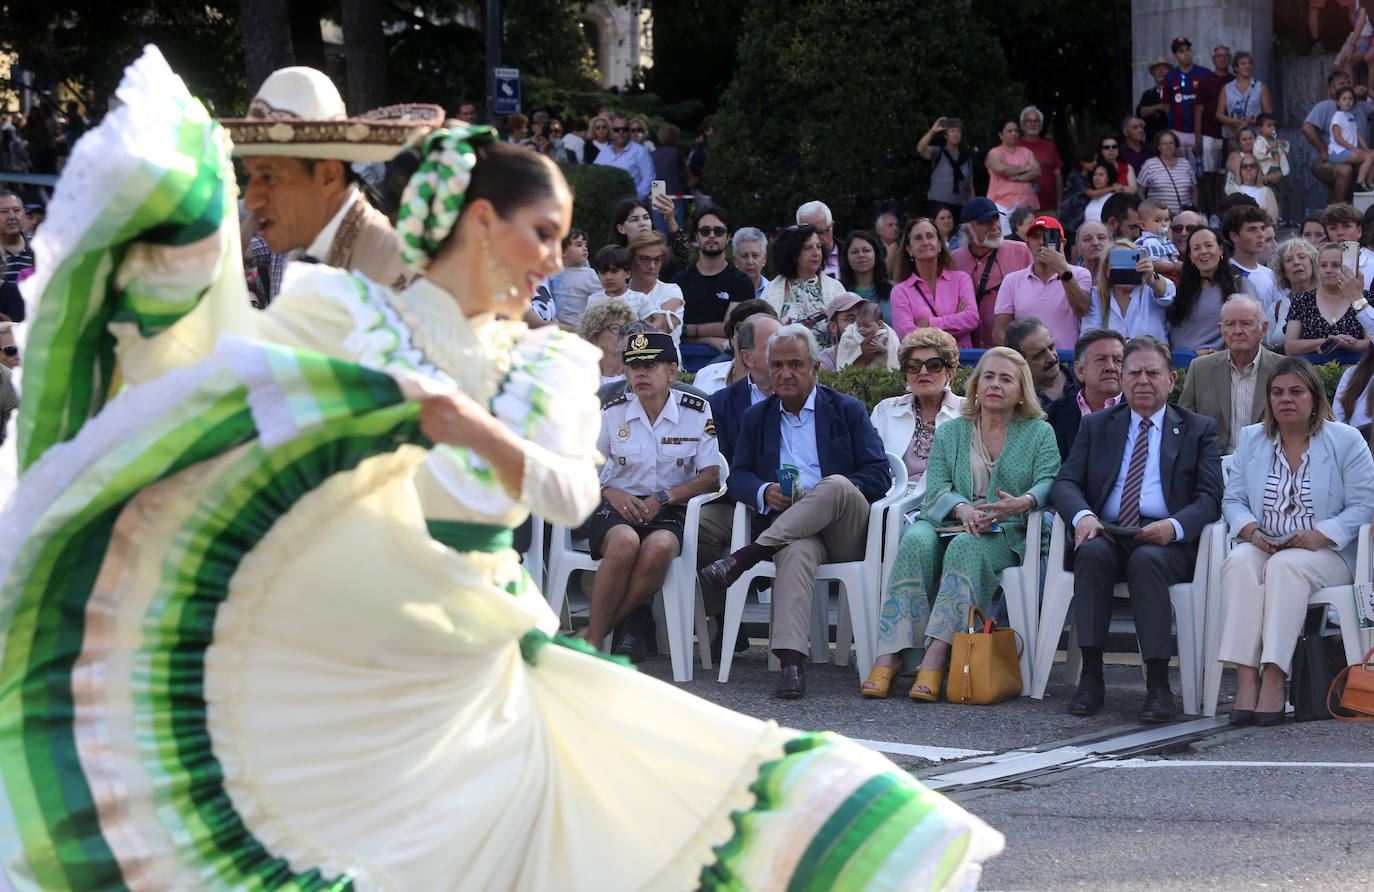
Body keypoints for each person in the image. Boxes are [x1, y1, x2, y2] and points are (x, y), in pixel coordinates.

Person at [4, 49, 1006, 888]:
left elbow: (566, 488)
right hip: (376, 621)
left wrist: (459, 425)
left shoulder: (543, 358)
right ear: (480, 225)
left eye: (564, 241)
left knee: (617, 809)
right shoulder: (360, 315)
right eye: (542, 237)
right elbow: (257, 387)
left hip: (471, 635)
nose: (554, 262)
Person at [700, 325, 892, 699]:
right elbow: (738, 476)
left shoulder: (846, 410)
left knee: (835, 484)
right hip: (792, 531)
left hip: (845, 529)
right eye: (778, 365)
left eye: (795, 365)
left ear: (816, 369)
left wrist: (826, 494)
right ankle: (790, 664)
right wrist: (763, 491)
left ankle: (747, 556)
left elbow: (878, 475)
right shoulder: (758, 417)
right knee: (795, 550)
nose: (785, 374)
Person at [863, 347, 1059, 700]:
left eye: (1005, 379)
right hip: (948, 519)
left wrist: (1022, 503)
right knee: (914, 541)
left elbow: (1049, 482)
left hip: (1006, 529)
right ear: (975, 386)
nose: (995, 384)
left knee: (967, 547)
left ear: (1021, 391)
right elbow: (936, 487)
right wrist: (963, 509)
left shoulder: (1039, 433)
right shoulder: (953, 431)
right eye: (988, 376)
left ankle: (937, 658)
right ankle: (888, 654)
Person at [1050, 336, 1223, 723]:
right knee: (1091, 553)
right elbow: (1065, 484)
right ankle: (1092, 677)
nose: (1143, 381)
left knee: (1147, 561)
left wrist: (1174, 526)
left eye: (1152, 373)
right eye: (1134, 373)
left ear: (1171, 379)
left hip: (1165, 540)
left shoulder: (1197, 429)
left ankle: (1159, 686)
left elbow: (1211, 497)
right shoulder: (1097, 425)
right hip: (1108, 531)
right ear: (1124, 380)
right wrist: (1084, 518)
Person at [1218, 357, 1374, 725]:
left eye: (1295, 391)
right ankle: (1245, 678)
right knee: (1239, 563)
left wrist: (1321, 534)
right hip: (1265, 544)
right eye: (1277, 392)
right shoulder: (1253, 439)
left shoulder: (1346, 441)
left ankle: (1274, 675)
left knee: (1286, 567)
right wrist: (1251, 531)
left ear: (1315, 397)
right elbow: (1232, 499)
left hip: (1326, 553)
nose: (1285, 399)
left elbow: (1365, 503)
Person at [221, 66, 442, 292]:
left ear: (328, 177)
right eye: (252, 176)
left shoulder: (395, 274)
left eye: (269, 177)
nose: (250, 201)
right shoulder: (307, 254)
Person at [585, 332, 721, 660]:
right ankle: (594, 642)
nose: (640, 374)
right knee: (625, 544)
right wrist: (609, 492)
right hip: (616, 509)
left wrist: (663, 497)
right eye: (633, 366)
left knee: (659, 547)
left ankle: (592, 634)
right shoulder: (611, 410)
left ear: (672, 371)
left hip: (668, 510)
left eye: (650, 365)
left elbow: (711, 477)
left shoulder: (696, 409)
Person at [868, 328, 965, 501]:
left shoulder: (967, 412)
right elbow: (870, 466)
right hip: (891, 502)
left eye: (934, 365)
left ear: (950, 372)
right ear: (906, 374)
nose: (923, 372)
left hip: (948, 503)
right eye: (914, 366)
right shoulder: (885, 411)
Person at [1178, 295, 1283, 454]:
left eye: (1246, 323)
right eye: (1230, 324)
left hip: (1271, 465)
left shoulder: (1283, 369)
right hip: (1213, 467)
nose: (1237, 331)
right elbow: (1183, 424)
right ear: (1221, 330)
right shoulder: (1200, 369)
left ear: (1264, 329)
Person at [992, 216, 1091, 351]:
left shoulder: (1080, 274)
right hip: (1027, 364)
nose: (1042, 242)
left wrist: (1063, 271)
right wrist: (1023, 358)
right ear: (1028, 244)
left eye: (1049, 236)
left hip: (1068, 362)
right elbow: (999, 333)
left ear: (1063, 243)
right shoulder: (1011, 280)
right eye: (1035, 237)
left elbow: (1082, 309)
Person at [951, 198, 1034, 348]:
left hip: (1012, 353)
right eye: (985, 222)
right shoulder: (953, 260)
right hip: (968, 355)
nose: (995, 226)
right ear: (967, 231)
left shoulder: (1022, 252)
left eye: (996, 219)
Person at [890, 217, 979, 345]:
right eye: (918, 238)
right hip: (924, 364)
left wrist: (929, 324)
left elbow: (971, 319)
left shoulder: (961, 279)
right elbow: (907, 336)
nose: (925, 242)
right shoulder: (900, 291)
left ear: (939, 245)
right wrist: (956, 322)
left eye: (930, 236)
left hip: (962, 361)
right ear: (909, 249)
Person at [707, 309, 783, 459]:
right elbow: (723, 467)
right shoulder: (719, 405)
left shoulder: (814, 397)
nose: (782, 353)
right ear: (747, 358)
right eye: (771, 347)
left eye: (784, 344)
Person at [677, 207, 754, 354]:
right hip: (682, 358)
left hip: (726, 360)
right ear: (697, 236)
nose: (711, 235)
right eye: (705, 231)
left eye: (718, 231)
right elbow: (673, 330)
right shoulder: (679, 281)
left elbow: (729, 327)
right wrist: (708, 340)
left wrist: (688, 329)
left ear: (728, 237)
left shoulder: (741, 281)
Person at [1168, 226, 1257, 352]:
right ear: (1190, 256)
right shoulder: (1182, 290)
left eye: (1209, 245)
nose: (1203, 251)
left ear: (1220, 249)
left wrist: (1221, 355)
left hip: (1218, 364)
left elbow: (1252, 329)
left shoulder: (1239, 285)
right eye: (1196, 248)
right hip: (1180, 365)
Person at [1045, 330, 1125, 460]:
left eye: (1118, 360)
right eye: (1101, 359)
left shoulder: (1140, 413)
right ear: (1080, 370)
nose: (1111, 367)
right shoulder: (1053, 416)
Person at [759, 223, 846, 343]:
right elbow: (763, 332)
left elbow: (849, 328)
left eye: (818, 246)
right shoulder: (773, 289)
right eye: (808, 248)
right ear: (793, 255)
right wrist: (785, 331)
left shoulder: (835, 286)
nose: (816, 253)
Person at [1285, 241, 1371, 356]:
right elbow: (1290, 347)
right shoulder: (1302, 299)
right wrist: (1327, 342)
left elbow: (1371, 343)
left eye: (1336, 265)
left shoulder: (1365, 298)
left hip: (1356, 370)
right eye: (1323, 265)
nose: (1328, 270)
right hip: (1311, 371)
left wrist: (1345, 344)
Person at [1081, 239, 1175, 341]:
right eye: (1118, 261)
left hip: (1152, 355)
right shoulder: (1097, 295)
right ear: (1106, 269)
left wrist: (1151, 278)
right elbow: (1088, 336)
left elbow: (1168, 291)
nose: (1124, 267)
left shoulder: (1150, 290)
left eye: (1130, 260)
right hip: (1113, 355)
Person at [1302, 71, 1371, 203]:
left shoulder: (1360, 106)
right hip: (1328, 159)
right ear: (1333, 91)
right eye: (1341, 83)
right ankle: (1339, 210)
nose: (1347, 85)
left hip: (1355, 159)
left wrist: (1367, 91)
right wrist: (1323, 150)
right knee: (1345, 170)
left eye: (1348, 82)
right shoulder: (1326, 106)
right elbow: (1307, 127)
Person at [692, 299, 778, 395]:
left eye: (761, 334)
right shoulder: (706, 374)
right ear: (732, 337)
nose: (749, 339)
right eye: (743, 331)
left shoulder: (780, 384)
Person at [1197, 45, 1236, 218]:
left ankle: (1223, 213)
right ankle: (1211, 213)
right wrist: (1198, 138)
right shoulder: (1206, 81)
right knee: (1209, 176)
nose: (1222, 59)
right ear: (1213, 59)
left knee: (1225, 176)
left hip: (1230, 134)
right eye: (1219, 56)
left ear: (1229, 59)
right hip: (1209, 133)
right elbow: (1198, 110)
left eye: (1225, 56)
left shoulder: (1234, 81)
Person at [607, 197, 691, 279]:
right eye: (634, 219)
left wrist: (671, 221)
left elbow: (684, 260)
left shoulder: (663, 257)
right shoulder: (614, 261)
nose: (643, 223)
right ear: (621, 228)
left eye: (646, 218)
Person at [625, 230, 685, 341]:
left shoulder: (671, 291)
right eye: (644, 259)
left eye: (657, 259)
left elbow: (654, 333)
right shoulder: (618, 292)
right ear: (631, 259)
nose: (652, 266)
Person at [1005, 316, 1072, 405]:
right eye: (1040, 354)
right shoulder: (1015, 404)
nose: (1052, 358)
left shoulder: (1084, 383)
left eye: (1051, 347)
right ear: (1019, 363)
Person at [1224, 204, 1280, 310]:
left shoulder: (1269, 274)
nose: (1260, 235)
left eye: (1262, 229)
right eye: (1252, 229)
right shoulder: (1225, 274)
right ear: (1234, 236)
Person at [986, 118, 1040, 226]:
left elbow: (1037, 171)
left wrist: (1017, 177)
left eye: (1016, 131)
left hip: (1026, 203)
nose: (1014, 133)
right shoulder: (994, 153)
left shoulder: (1026, 152)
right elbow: (1001, 169)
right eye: (1010, 131)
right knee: (1004, 240)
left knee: (1026, 239)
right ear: (1001, 135)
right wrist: (1025, 168)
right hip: (1002, 203)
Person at [1267, 236, 1318, 349]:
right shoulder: (1276, 309)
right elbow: (1266, 347)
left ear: (1312, 264)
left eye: (1301, 257)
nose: (1296, 262)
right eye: (1289, 260)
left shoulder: (1329, 299)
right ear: (1283, 271)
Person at [917, 116, 973, 218]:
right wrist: (932, 131)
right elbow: (921, 149)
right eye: (952, 131)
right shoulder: (938, 152)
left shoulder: (966, 158)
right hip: (938, 204)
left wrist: (973, 205)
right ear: (946, 135)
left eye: (958, 131)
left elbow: (970, 185)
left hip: (960, 205)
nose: (955, 134)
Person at [838, 230, 894, 324]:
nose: (861, 255)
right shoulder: (838, 291)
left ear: (875, 254)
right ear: (846, 257)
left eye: (866, 250)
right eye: (855, 252)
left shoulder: (894, 290)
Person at [817, 291, 884, 370]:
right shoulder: (823, 361)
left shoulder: (884, 346)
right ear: (832, 327)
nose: (859, 326)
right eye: (850, 319)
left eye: (864, 318)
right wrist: (862, 361)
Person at [1137, 130, 1198, 215]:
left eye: (1171, 143)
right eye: (1164, 143)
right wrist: (1147, 212)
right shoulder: (1149, 164)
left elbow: (1194, 190)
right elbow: (1140, 190)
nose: (1168, 146)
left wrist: (1194, 208)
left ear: (1175, 145)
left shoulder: (1185, 164)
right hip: (1159, 218)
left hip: (1185, 217)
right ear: (1158, 147)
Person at [586, 244, 654, 321]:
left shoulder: (640, 299)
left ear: (627, 273)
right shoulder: (593, 300)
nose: (608, 277)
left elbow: (648, 329)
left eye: (614, 271)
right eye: (603, 272)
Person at [593, 115, 655, 198]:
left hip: (632, 204)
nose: (621, 132)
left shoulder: (640, 152)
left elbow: (649, 178)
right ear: (611, 132)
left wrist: (636, 198)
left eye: (624, 129)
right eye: (616, 130)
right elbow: (595, 175)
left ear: (629, 132)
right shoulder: (603, 153)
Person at [578, 296, 636, 385]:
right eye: (615, 328)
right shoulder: (580, 373)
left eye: (627, 327)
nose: (623, 333)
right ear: (595, 337)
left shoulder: (637, 372)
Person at [1163, 37, 1204, 159]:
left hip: (1198, 132)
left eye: (1188, 50)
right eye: (1181, 51)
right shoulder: (1170, 77)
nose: (1186, 53)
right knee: (1178, 170)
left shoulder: (1204, 73)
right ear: (1175, 56)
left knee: (1198, 172)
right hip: (1176, 131)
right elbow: (1166, 105)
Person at [1018, 106, 1063, 212]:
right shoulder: (1016, 146)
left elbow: (1058, 176)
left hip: (1048, 206)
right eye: (1029, 120)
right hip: (1021, 208)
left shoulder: (1049, 146)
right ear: (1023, 123)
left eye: (1036, 120)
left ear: (1041, 124)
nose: (1033, 124)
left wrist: (1060, 202)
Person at [1328, 86, 1374, 190]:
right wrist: (1355, 149)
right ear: (1338, 102)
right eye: (1344, 99)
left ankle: (1370, 184)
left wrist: (1366, 149)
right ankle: (1360, 184)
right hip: (1338, 152)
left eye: (1350, 99)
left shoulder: (1350, 115)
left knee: (1372, 154)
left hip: (1347, 151)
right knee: (1368, 157)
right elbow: (1337, 138)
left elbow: (1357, 133)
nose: (1347, 101)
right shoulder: (1338, 116)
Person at [835, 300, 898, 370]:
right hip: (859, 375)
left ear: (879, 324)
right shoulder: (850, 334)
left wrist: (884, 349)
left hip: (882, 374)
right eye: (859, 325)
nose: (862, 329)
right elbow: (847, 350)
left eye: (867, 326)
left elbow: (893, 353)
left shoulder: (887, 334)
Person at [0, 190, 31, 321]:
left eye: (16, 210)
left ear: (24, 214)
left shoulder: (41, 249)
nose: (12, 216)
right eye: (4, 211)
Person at [650, 123, 687, 233]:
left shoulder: (653, 154)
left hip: (657, 193)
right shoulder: (677, 153)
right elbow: (684, 174)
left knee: (659, 226)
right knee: (676, 224)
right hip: (675, 192)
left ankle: (661, 248)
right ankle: (678, 248)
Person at [1135, 199, 1183, 278]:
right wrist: (1174, 266)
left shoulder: (1162, 239)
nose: (1164, 224)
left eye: (1166, 220)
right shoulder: (1150, 242)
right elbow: (1152, 264)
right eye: (1158, 221)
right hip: (1160, 278)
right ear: (1143, 225)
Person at [795, 200, 841, 277]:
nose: (816, 239)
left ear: (832, 226)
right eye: (809, 234)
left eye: (821, 232)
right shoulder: (790, 263)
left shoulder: (850, 254)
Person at [1137, 57, 1174, 144]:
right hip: (1152, 140)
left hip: (1171, 139)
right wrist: (1159, 107)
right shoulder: (1148, 94)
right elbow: (1141, 112)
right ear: (1153, 73)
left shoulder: (1175, 93)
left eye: (1164, 69)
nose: (1161, 71)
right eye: (1158, 69)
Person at [1252, 113, 1291, 186]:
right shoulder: (1259, 141)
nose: (1273, 128)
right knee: (1269, 190)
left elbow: (1286, 151)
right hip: (1267, 170)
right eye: (1269, 126)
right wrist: (1270, 147)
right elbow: (1258, 154)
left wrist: (1284, 144)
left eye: (1274, 125)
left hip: (1278, 168)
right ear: (1260, 128)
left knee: (1279, 191)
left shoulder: (1274, 139)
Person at [732, 226, 770, 299]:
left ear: (764, 258)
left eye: (755, 255)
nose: (750, 262)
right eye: (744, 256)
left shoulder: (775, 292)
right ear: (735, 260)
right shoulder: (726, 292)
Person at [876, 211, 902, 278]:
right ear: (879, 230)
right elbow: (880, 277)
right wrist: (890, 255)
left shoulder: (904, 244)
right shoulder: (872, 247)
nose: (895, 228)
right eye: (890, 225)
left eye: (896, 225)